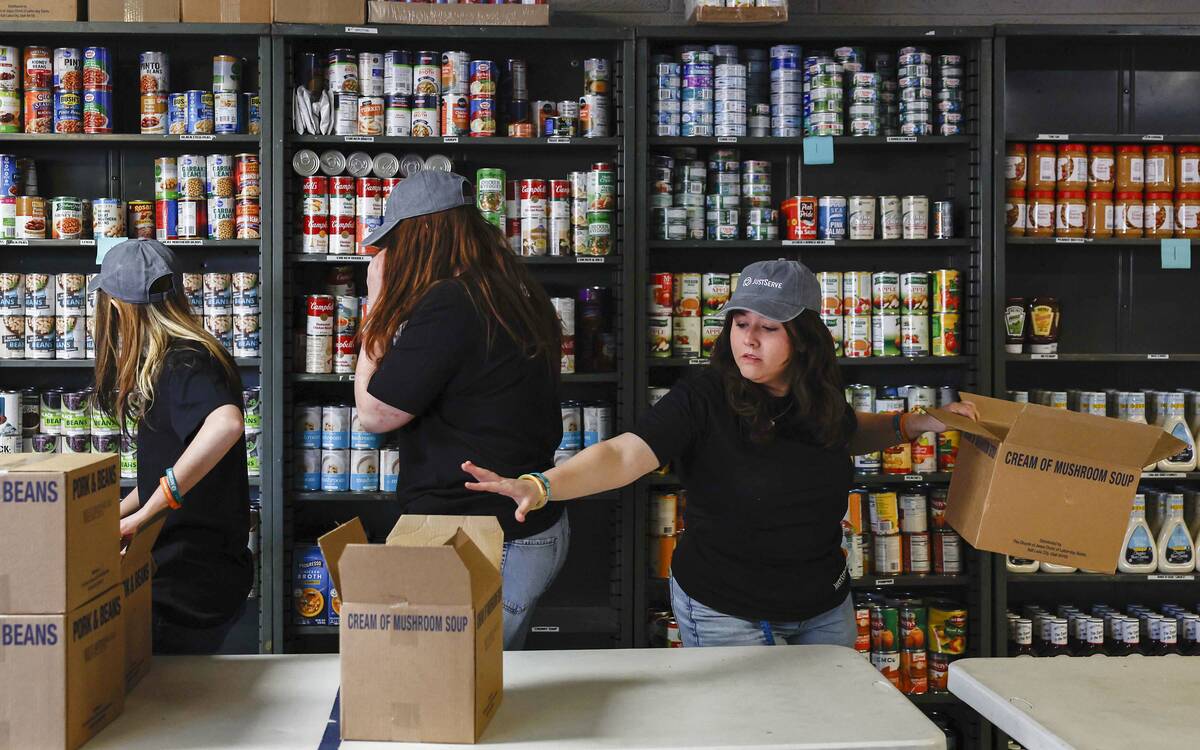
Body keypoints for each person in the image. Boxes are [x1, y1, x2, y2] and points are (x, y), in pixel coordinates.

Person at [465, 259, 978, 648]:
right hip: (726, 607)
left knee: (826, 735)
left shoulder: (816, 394)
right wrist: (541, 484)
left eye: (768, 327)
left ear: (804, 339)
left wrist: (915, 423)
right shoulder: (703, 397)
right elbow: (624, 455)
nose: (748, 340)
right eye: (740, 322)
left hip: (824, 605)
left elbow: (840, 432)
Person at [354, 170, 568, 651]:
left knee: (452, 691)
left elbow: (375, 413)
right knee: (477, 689)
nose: (389, 255)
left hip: (482, 538)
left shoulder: (452, 301)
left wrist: (377, 303)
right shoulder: (514, 291)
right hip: (519, 529)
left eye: (397, 240)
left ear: (425, 232)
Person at [92, 238, 253, 655]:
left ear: (115, 306)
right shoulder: (184, 355)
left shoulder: (182, 360)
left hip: (187, 584)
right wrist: (113, 516)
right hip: (200, 574)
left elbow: (227, 424)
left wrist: (147, 514)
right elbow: (167, 471)